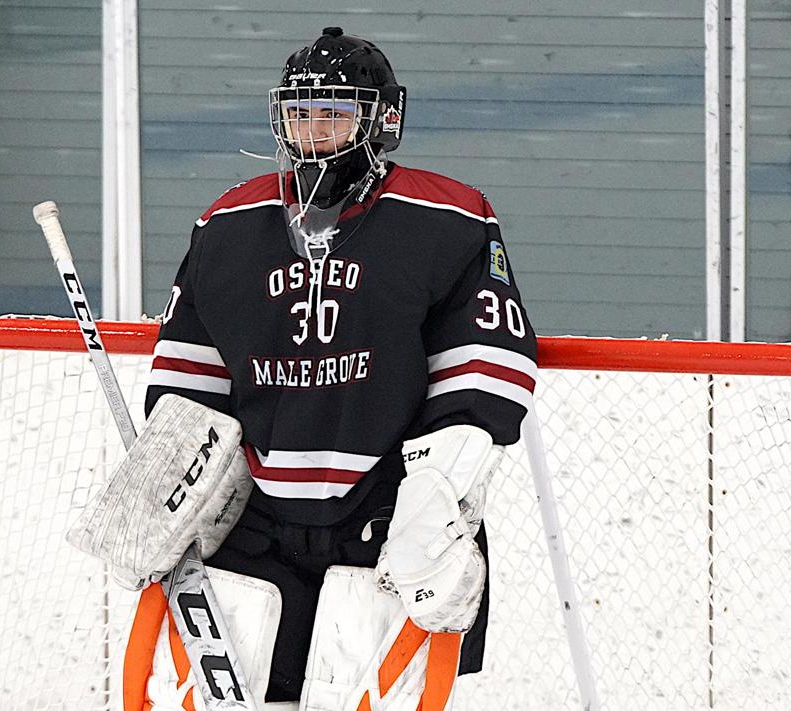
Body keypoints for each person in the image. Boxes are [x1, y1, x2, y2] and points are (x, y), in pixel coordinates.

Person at [134, 26, 537, 709]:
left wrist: (439, 498)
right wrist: (166, 487)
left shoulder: (447, 217)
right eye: (300, 113)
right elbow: (189, 378)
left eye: (335, 113)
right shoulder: (228, 224)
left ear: (382, 121)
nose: (314, 131)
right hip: (252, 517)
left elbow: (484, 368)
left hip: (386, 513)